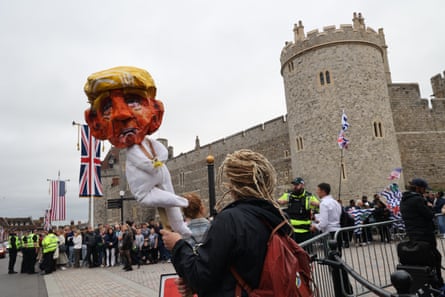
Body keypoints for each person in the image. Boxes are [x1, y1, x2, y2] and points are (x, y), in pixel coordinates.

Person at [161, 149, 293, 297]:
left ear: (233, 183)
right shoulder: (277, 218)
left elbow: (201, 276)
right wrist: (192, 285)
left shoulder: (230, 220)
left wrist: (178, 246)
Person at [400, 178, 444, 287]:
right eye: (424, 189)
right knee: (434, 259)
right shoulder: (417, 199)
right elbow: (429, 215)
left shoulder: (404, 200)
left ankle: (426, 284)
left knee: (422, 260)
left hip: (413, 234)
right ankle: (437, 284)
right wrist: (430, 207)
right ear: (418, 188)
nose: (425, 191)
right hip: (424, 234)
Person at [278, 177, 319, 243]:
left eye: (297, 185)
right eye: (294, 185)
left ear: (302, 185)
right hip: (292, 231)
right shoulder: (289, 195)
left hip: (305, 232)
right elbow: (277, 202)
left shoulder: (309, 197)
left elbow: (320, 208)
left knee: (306, 252)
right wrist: (279, 202)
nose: (294, 186)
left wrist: (317, 205)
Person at [310, 183, 342, 251]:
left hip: (329, 233)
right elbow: (334, 216)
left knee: (330, 257)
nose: (317, 192)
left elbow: (323, 223)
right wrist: (316, 218)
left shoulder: (323, 204)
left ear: (323, 191)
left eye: (318, 190)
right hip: (338, 232)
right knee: (338, 256)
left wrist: (315, 226)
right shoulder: (336, 202)